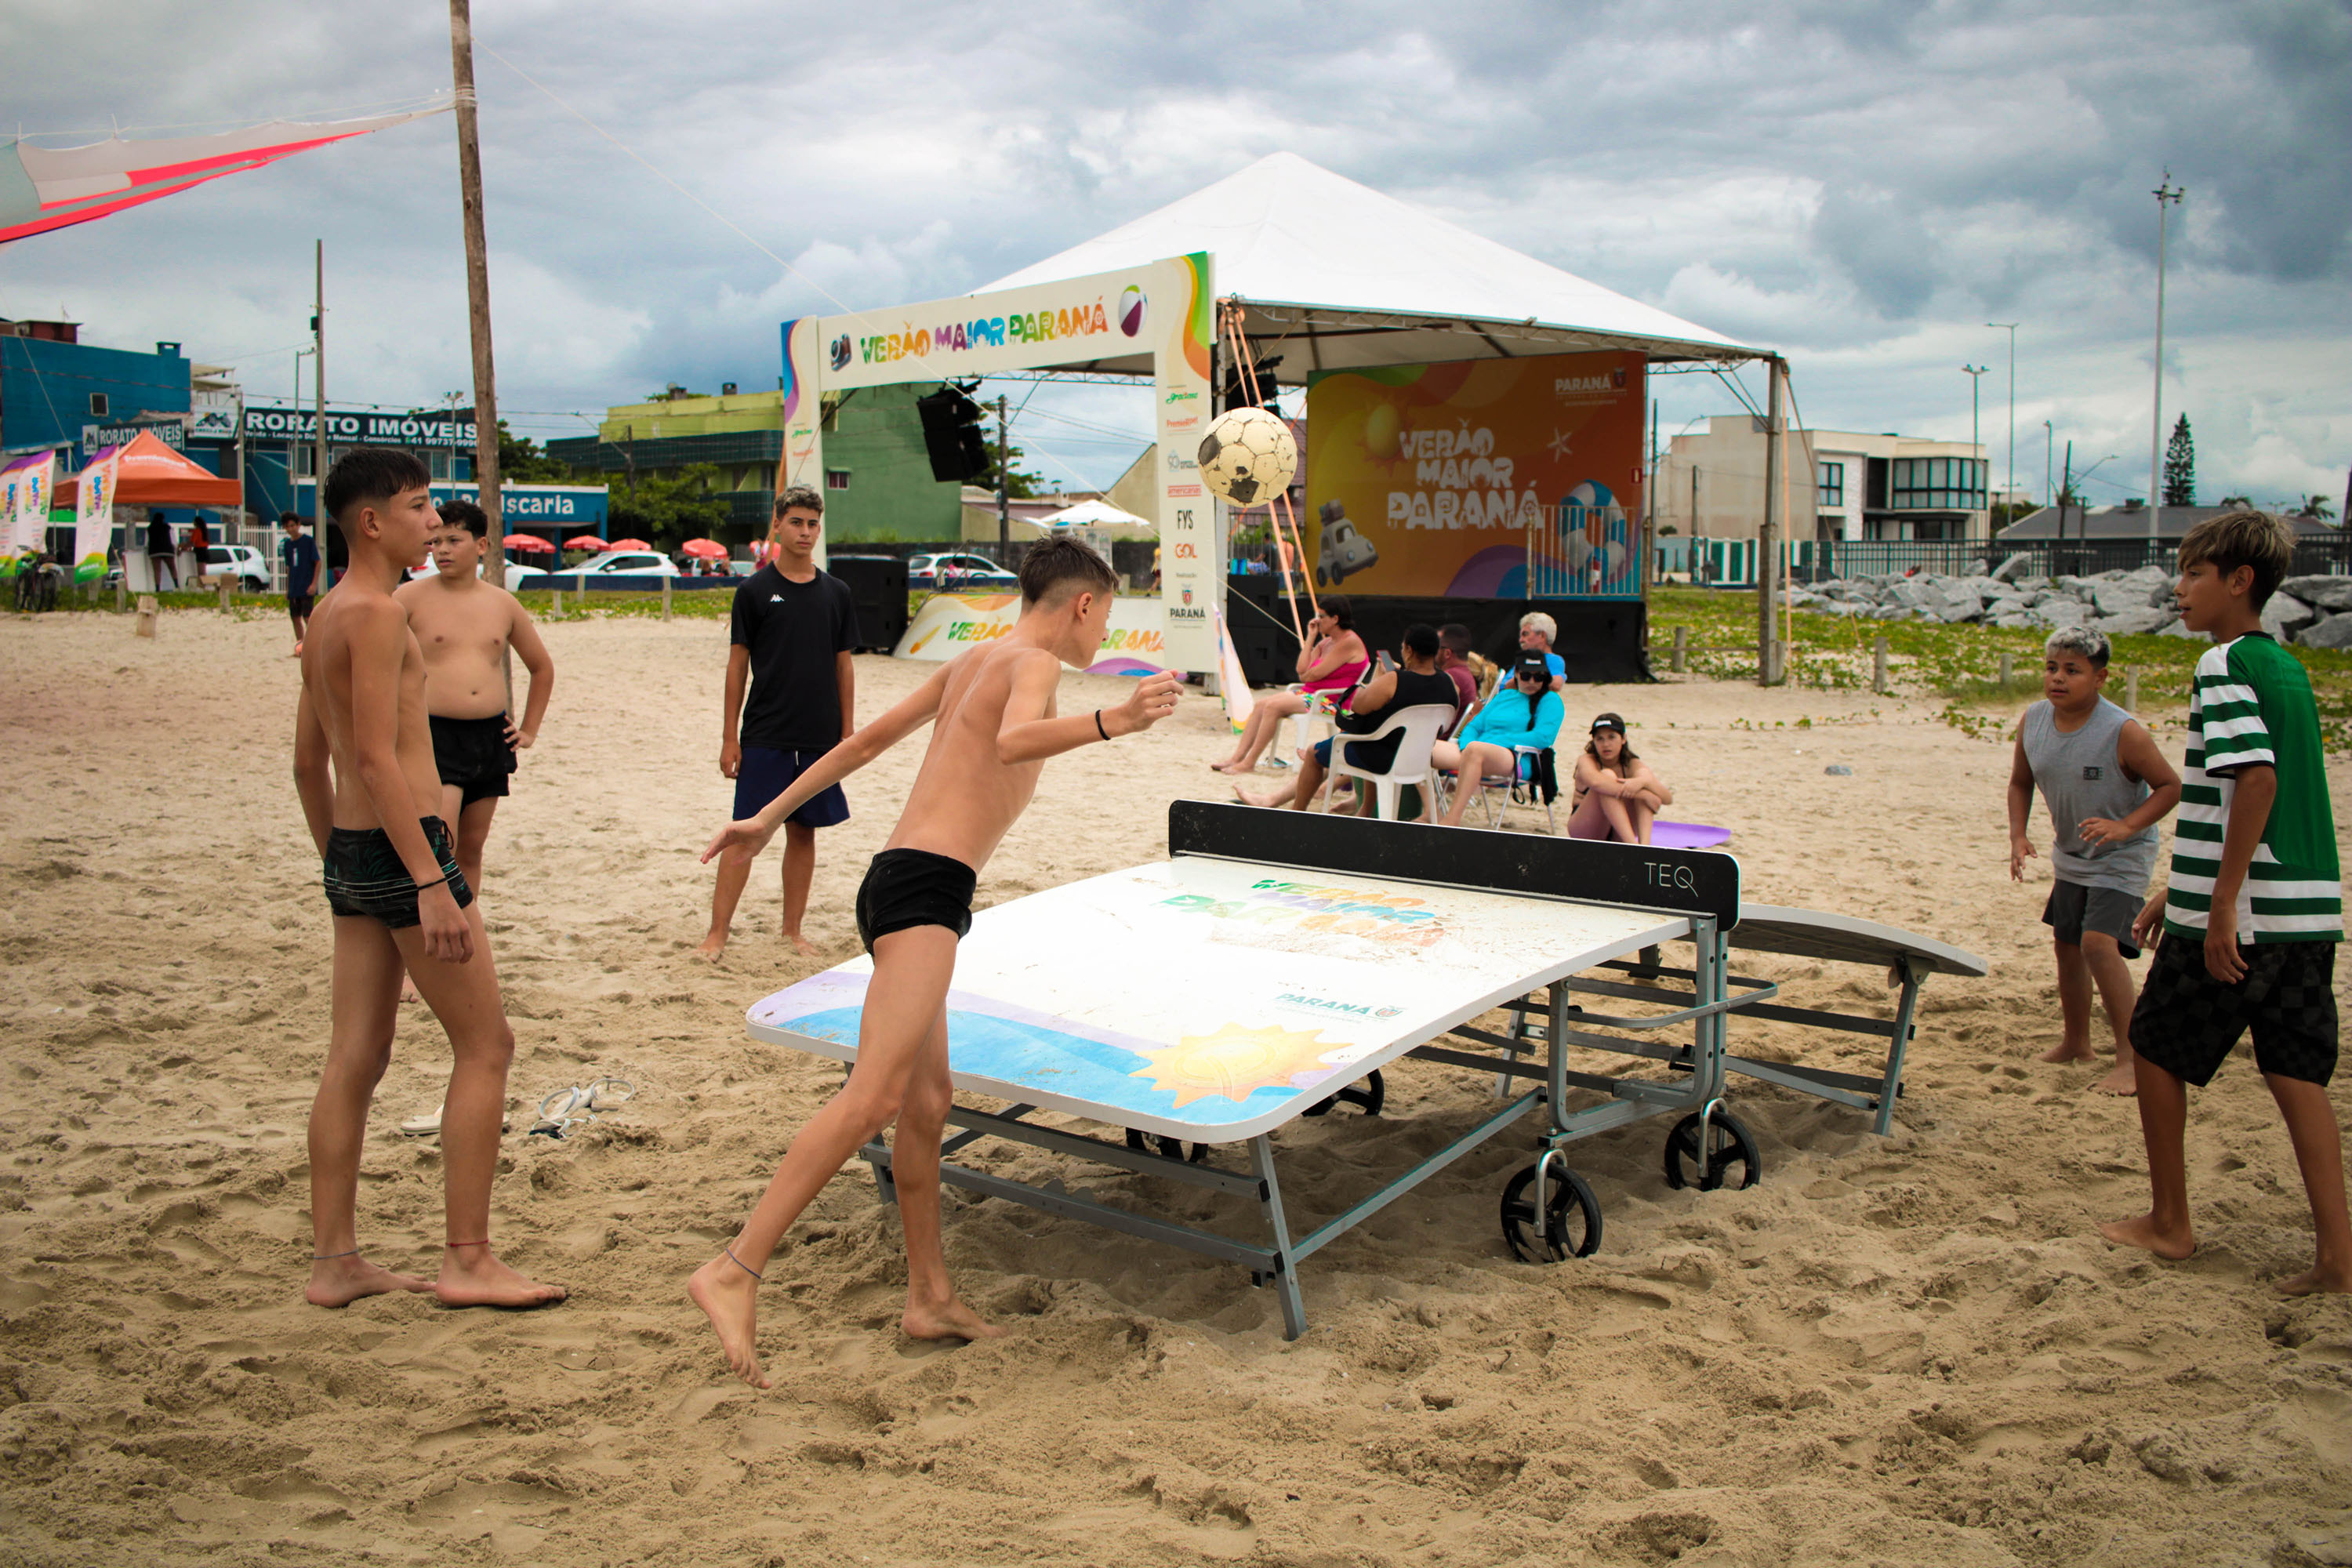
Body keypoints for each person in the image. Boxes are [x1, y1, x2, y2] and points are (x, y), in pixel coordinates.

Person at [689, 537, 1181, 1382]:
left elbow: (861, 744)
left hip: (898, 883)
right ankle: (735, 1267)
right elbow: (1017, 742)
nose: (1102, 636)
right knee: (876, 1093)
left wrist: (765, 818)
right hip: (923, 890)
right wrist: (1116, 720)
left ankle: (930, 1295)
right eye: (1106, 616)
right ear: (1084, 605)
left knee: (927, 1100)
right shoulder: (1034, 665)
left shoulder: (973, 658)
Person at [291, 447, 561, 1310]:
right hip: (410, 855)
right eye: (416, 507)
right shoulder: (375, 613)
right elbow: (373, 755)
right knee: (488, 1045)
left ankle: (336, 1260)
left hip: (355, 851)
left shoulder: (326, 610)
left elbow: (309, 764)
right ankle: (468, 1258)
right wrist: (430, 881)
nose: (431, 521)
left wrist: (342, 856)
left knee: (356, 1054)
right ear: (372, 522)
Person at [2101, 510, 2350, 1296]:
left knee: (2153, 1040)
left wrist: (2217, 905)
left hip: (2245, 914)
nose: (2180, 588)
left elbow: (2256, 781)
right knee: (2295, 1070)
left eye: (2196, 573)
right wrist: (2187, 882)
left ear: (2240, 581)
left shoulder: (2224, 661)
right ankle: (2339, 1259)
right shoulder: (2285, 665)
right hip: (2306, 907)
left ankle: (2170, 1221)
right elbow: (2255, 798)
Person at [2006, 627, 2180, 1096]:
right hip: (2072, 855)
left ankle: (2131, 1058)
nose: (2058, 679)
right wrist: (2019, 835)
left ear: (2101, 678)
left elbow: (2170, 787)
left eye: (2072, 671)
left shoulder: (2122, 731)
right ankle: (2077, 1042)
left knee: (2099, 945)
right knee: (2067, 946)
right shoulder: (2035, 721)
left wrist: (2127, 826)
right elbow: (2020, 782)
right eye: (2051, 668)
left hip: (2122, 857)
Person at [695, 486, 859, 961]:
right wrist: (730, 737)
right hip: (765, 732)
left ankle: (793, 931)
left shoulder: (837, 593)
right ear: (777, 524)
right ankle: (717, 932)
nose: (805, 532)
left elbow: (844, 666)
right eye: (796, 522)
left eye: (813, 523)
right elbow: (736, 667)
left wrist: (847, 733)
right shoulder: (753, 591)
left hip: (820, 736)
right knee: (746, 833)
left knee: (803, 832)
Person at [394, 498, 555, 906]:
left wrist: (530, 730)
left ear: (481, 545)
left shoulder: (502, 603)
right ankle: (430, 948)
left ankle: (466, 933)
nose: (442, 550)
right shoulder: (408, 597)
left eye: (453, 540)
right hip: (434, 736)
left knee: (471, 850)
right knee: (438, 849)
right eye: (435, 541)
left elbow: (542, 668)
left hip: (489, 737)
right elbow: (362, 628)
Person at [1236, 622, 1454, 817]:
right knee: (1372, 738)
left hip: (1383, 757)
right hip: (1419, 757)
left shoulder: (1394, 680)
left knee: (1314, 752)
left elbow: (1357, 706)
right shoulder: (1448, 684)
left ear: (1409, 650)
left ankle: (1297, 815)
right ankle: (1365, 811)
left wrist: (1378, 680)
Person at [1210, 596, 1369, 775]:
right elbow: (1301, 669)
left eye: (1322, 616)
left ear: (1335, 619)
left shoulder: (1349, 642)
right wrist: (1310, 637)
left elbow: (1315, 674)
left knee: (1272, 707)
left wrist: (1308, 676)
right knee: (1261, 705)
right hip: (1311, 694)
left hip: (1330, 701)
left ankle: (1250, 762)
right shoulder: (1326, 642)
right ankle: (1236, 758)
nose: (1317, 620)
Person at [1433, 655, 1566, 827]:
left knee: (1476, 750)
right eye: (1526, 676)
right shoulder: (1505, 696)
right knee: (1423, 747)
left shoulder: (1551, 700)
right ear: (1517, 674)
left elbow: (1542, 738)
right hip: (1478, 751)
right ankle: (1432, 813)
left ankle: (1452, 819)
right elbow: (1475, 726)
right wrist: (1466, 745)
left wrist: (1492, 743)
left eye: (1538, 677)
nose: (1532, 681)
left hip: (1519, 756)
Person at [1564, 713, 1671, 843]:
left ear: (1623, 739)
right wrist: (1642, 794)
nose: (1606, 744)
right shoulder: (1587, 760)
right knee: (1607, 777)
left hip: (1618, 831)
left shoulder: (1632, 764)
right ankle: (1632, 846)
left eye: (1611, 737)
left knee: (1644, 783)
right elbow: (1596, 782)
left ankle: (1644, 847)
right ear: (1594, 742)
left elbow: (1667, 798)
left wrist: (1643, 782)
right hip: (1587, 830)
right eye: (1600, 739)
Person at [282, 512, 321, 655]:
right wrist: (288, 589)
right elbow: (288, 567)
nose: (291, 529)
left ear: (298, 525)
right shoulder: (287, 545)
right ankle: (300, 644)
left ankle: (313, 645)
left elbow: (317, 562)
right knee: (295, 616)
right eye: (287, 526)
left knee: (307, 616)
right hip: (294, 586)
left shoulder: (308, 541)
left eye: (293, 525)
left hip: (307, 585)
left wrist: (314, 584)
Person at [1518, 612, 1567, 691]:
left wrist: (1526, 677)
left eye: (1525, 634)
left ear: (1542, 636)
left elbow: (1556, 684)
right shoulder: (1522, 659)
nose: (1521, 640)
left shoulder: (1553, 660)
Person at [146, 510, 178, 591]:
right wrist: (176, 548)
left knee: (157, 570)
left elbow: (146, 543)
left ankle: (158, 589)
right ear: (163, 519)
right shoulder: (167, 527)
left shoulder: (150, 528)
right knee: (172, 568)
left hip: (154, 551)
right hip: (167, 550)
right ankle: (177, 585)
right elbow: (173, 541)